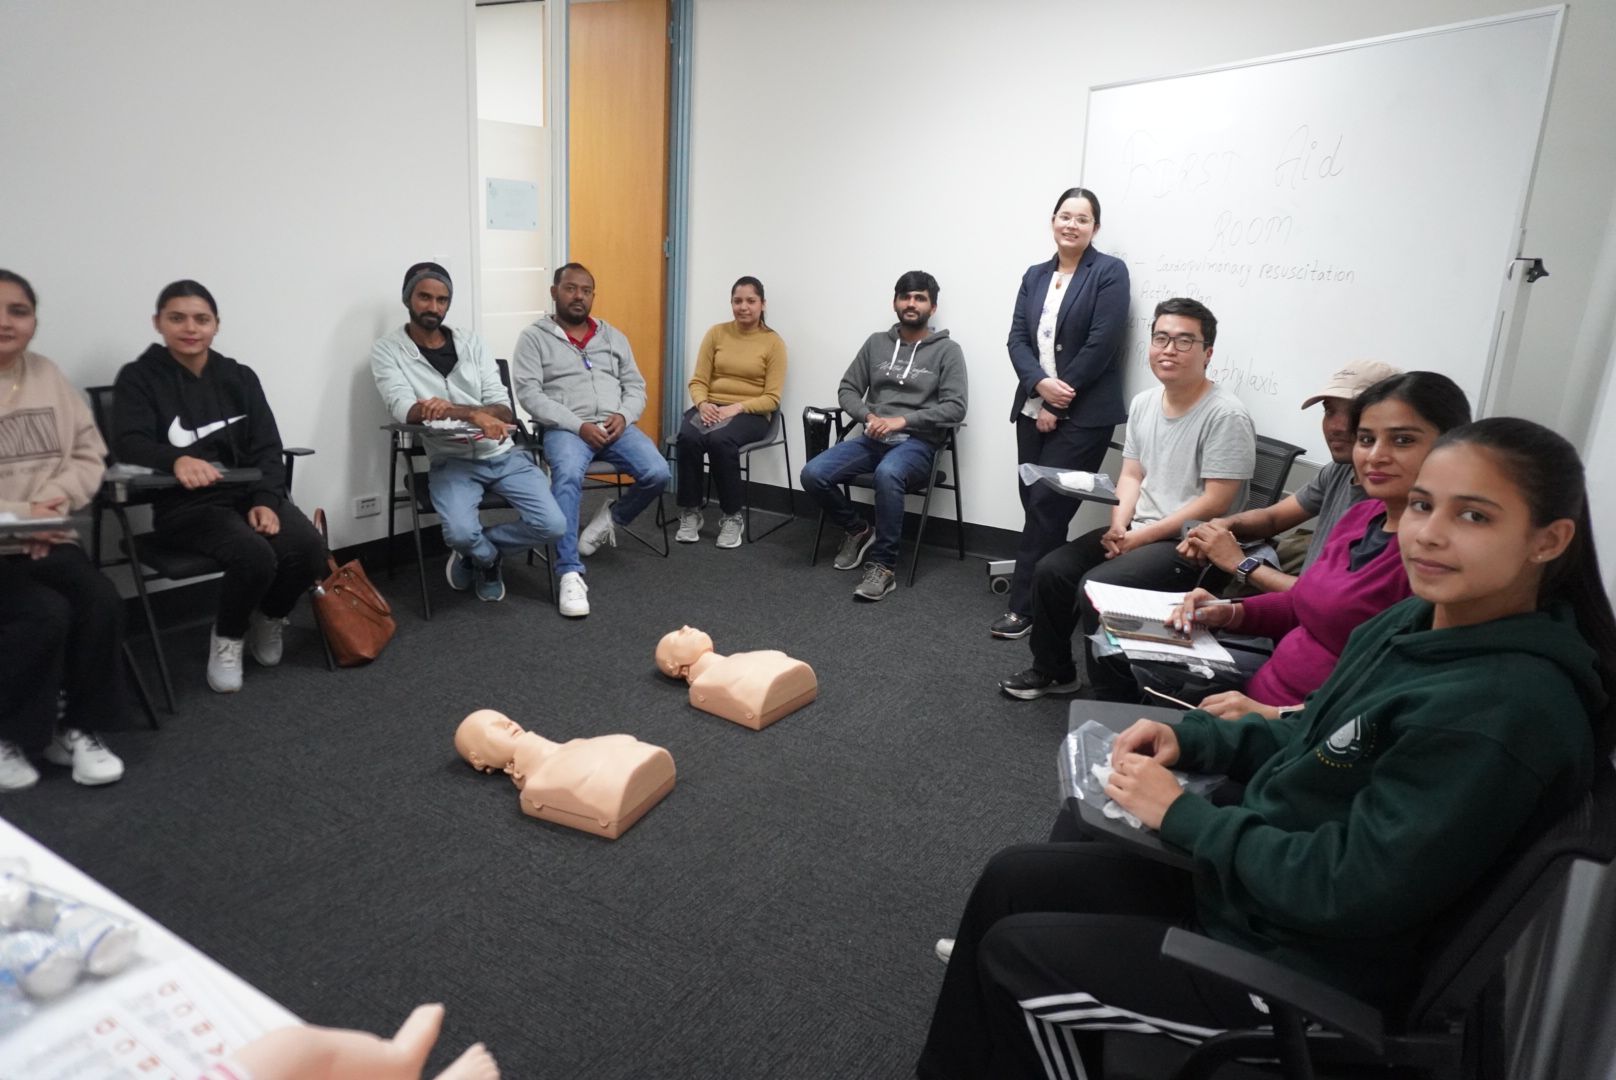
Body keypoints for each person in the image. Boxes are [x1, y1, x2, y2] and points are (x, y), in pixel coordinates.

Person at [918, 416, 1615, 1080]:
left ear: (1548, 541)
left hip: (1303, 969)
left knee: (1016, 961)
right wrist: (1195, 736)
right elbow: (1319, 736)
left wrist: (1186, 817)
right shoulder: (1422, 622)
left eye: (1473, 516)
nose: (1427, 535)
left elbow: (1351, 888)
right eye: (1424, 506)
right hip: (1258, 894)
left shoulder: (1500, 709)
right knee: (1014, 876)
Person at [1150, 371, 1471, 715]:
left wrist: (1275, 716)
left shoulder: (1432, 558)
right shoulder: (1361, 516)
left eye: (1403, 440)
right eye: (1366, 439)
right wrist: (1228, 612)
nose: (1376, 455)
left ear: (1450, 446)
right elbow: (1306, 603)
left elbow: (1387, 696)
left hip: (1299, 726)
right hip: (1264, 692)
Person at [999, 297, 1253, 700]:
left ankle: (1115, 698)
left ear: (1207, 354)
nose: (1169, 349)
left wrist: (1140, 538)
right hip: (1138, 528)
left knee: (1095, 586)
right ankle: (1053, 671)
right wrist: (1120, 526)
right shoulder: (1144, 402)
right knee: (1052, 569)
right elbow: (1132, 473)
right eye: (1161, 338)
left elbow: (1216, 501)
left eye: (1184, 342)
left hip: (1190, 543)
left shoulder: (1226, 415)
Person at [112, 280, 326, 694]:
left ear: (216, 325)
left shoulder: (239, 377)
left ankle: (270, 616)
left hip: (247, 494)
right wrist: (176, 460)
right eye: (177, 318)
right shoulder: (139, 378)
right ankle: (228, 637)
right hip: (185, 506)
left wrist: (265, 499)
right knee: (255, 555)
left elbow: (267, 447)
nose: (190, 328)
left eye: (201, 319)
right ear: (158, 323)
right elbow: (128, 441)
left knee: (309, 548)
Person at [370, 261, 564, 603]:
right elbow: (406, 409)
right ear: (407, 299)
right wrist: (474, 413)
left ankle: (481, 550)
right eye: (424, 297)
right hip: (451, 461)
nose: (434, 307)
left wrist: (449, 408)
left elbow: (503, 408)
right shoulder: (387, 350)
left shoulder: (472, 343)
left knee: (553, 525)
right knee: (459, 533)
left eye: (442, 300)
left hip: (504, 456)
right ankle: (485, 559)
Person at [0, 269, 126, 789]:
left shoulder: (48, 375)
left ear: (34, 321)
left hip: (49, 535)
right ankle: (11, 734)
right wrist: (24, 513)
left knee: (100, 599)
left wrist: (56, 502)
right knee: (43, 614)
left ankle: (79, 728)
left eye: (19, 310)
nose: (6, 321)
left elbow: (87, 453)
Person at [992, 188, 1130, 640]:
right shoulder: (1034, 275)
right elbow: (1016, 339)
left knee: (1050, 507)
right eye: (1065, 216)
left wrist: (1057, 400)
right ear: (1052, 221)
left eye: (1083, 218)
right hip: (1032, 406)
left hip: (1085, 413)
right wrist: (1038, 386)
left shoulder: (1109, 273)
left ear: (1095, 227)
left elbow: (1102, 343)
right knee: (1032, 500)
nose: (1072, 225)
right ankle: (1050, 588)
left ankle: (1025, 607)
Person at [511, 263, 671, 618]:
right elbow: (529, 395)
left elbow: (636, 387)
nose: (578, 296)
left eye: (586, 290)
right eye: (570, 288)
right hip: (567, 429)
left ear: (593, 296)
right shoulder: (534, 337)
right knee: (566, 477)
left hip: (616, 427)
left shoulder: (612, 336)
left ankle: (611, 519)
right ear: (554, 292)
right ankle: (569, 571)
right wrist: (577, 424)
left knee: (658, 473)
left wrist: (624, 416)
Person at [798, 271, 968, 602]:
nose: (911, 303)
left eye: (920, 298)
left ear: (932, 307)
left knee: (887, 474)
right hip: (872, 439)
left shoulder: (947, 350)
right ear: (895, 302)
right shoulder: (876, 343)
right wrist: (870, 416)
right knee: (813, 474)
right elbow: (847, 388)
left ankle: (883, 567)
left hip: (917, 446)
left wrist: (902, 421)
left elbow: (955, 408)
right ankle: (859, 529)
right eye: (905, 296)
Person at [1177, 359, 1400, 593]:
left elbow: (1328, 601)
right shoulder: (1339, 469)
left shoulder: (1393, 504)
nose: (1336, 426)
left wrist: (1240, 564)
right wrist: (1224, 524)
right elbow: (1273, 519)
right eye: (1329, 411)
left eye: (1354, 413)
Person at [674, 276, 786, 549]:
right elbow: (698, 380)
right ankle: (691, 512)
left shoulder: (773, 343)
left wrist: (734, 408)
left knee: (719, 440)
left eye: (751, 301)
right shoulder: (716, 333)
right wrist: (703, 404)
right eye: (738, 301)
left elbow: (772, 398)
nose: (743, 307)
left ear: (763, 304)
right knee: (688, 437)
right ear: (731, 303)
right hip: (712, 406)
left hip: (751, 414)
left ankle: (732, 516)